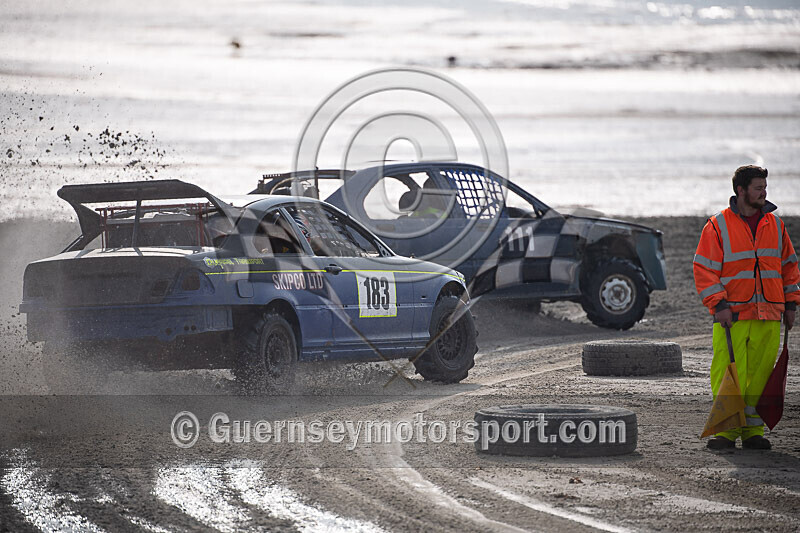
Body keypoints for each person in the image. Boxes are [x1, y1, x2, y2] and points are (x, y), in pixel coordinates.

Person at [694, 165, 800, 450]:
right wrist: (718, 304)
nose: (764, 193)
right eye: (758, 188)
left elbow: (789, 266)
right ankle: (726, 433)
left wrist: (791, 304)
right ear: (740, 191)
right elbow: (704, 269)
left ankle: (753, 432)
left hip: (769, 315)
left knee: (761, 374)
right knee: (728, 372)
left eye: (764, 187)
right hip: (733, 316)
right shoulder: (717, 225)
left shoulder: (775, 225)